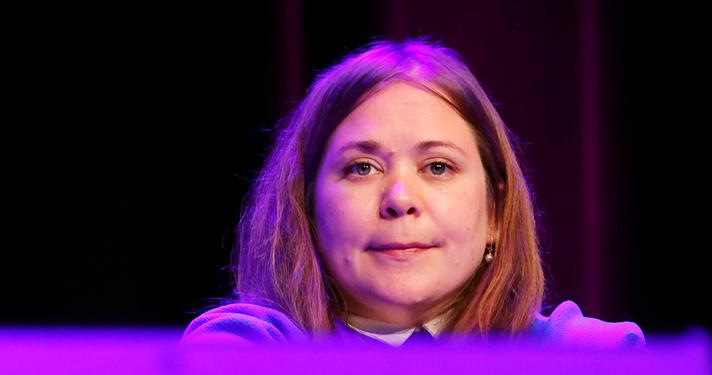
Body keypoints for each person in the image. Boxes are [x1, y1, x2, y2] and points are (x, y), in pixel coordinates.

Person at [182, 37, 645, 349]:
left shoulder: (584, 359)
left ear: (496, 213)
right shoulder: (247, 351)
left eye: (438, 167)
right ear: (306, 208)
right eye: (362, 168)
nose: (400, 198)